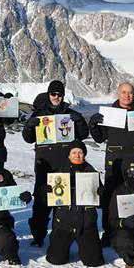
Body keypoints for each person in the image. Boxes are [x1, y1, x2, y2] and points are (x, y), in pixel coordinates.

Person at [88, 82, 134, 246]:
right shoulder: (109, 115)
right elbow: (99, 138)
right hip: (115, 162)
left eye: (130, 92)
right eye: (123, 92)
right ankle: (109, 232)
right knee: (110, 196)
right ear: (118, 93)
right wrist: (93, 125)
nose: (127, 95)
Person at [22, 80, 89, 246]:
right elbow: (28, 138)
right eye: (53, 94)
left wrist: (79, 120)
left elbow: (83, 135)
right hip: (44, 163)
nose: (56, 97)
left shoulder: (70, 113)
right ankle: (38, 236)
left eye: (59, 94)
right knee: (41, 202)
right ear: (48, 94)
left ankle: (63, 234)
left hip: (64, 164)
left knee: (64, 200)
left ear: (63, 96)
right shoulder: (39, 114)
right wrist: (29, 126)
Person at [45, 141, 104, 267]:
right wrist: (46, 191)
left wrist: (101, 193)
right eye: (74, 152)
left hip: (86, 223)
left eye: (80, 152)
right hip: (63, 222)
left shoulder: (91, 172)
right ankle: (57, 242)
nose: (77, 155)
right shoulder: (59, 172)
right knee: (56, 259)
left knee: (93, 261)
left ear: (84, 154)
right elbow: (47, 200)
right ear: (68, 155)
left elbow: (100, 202)